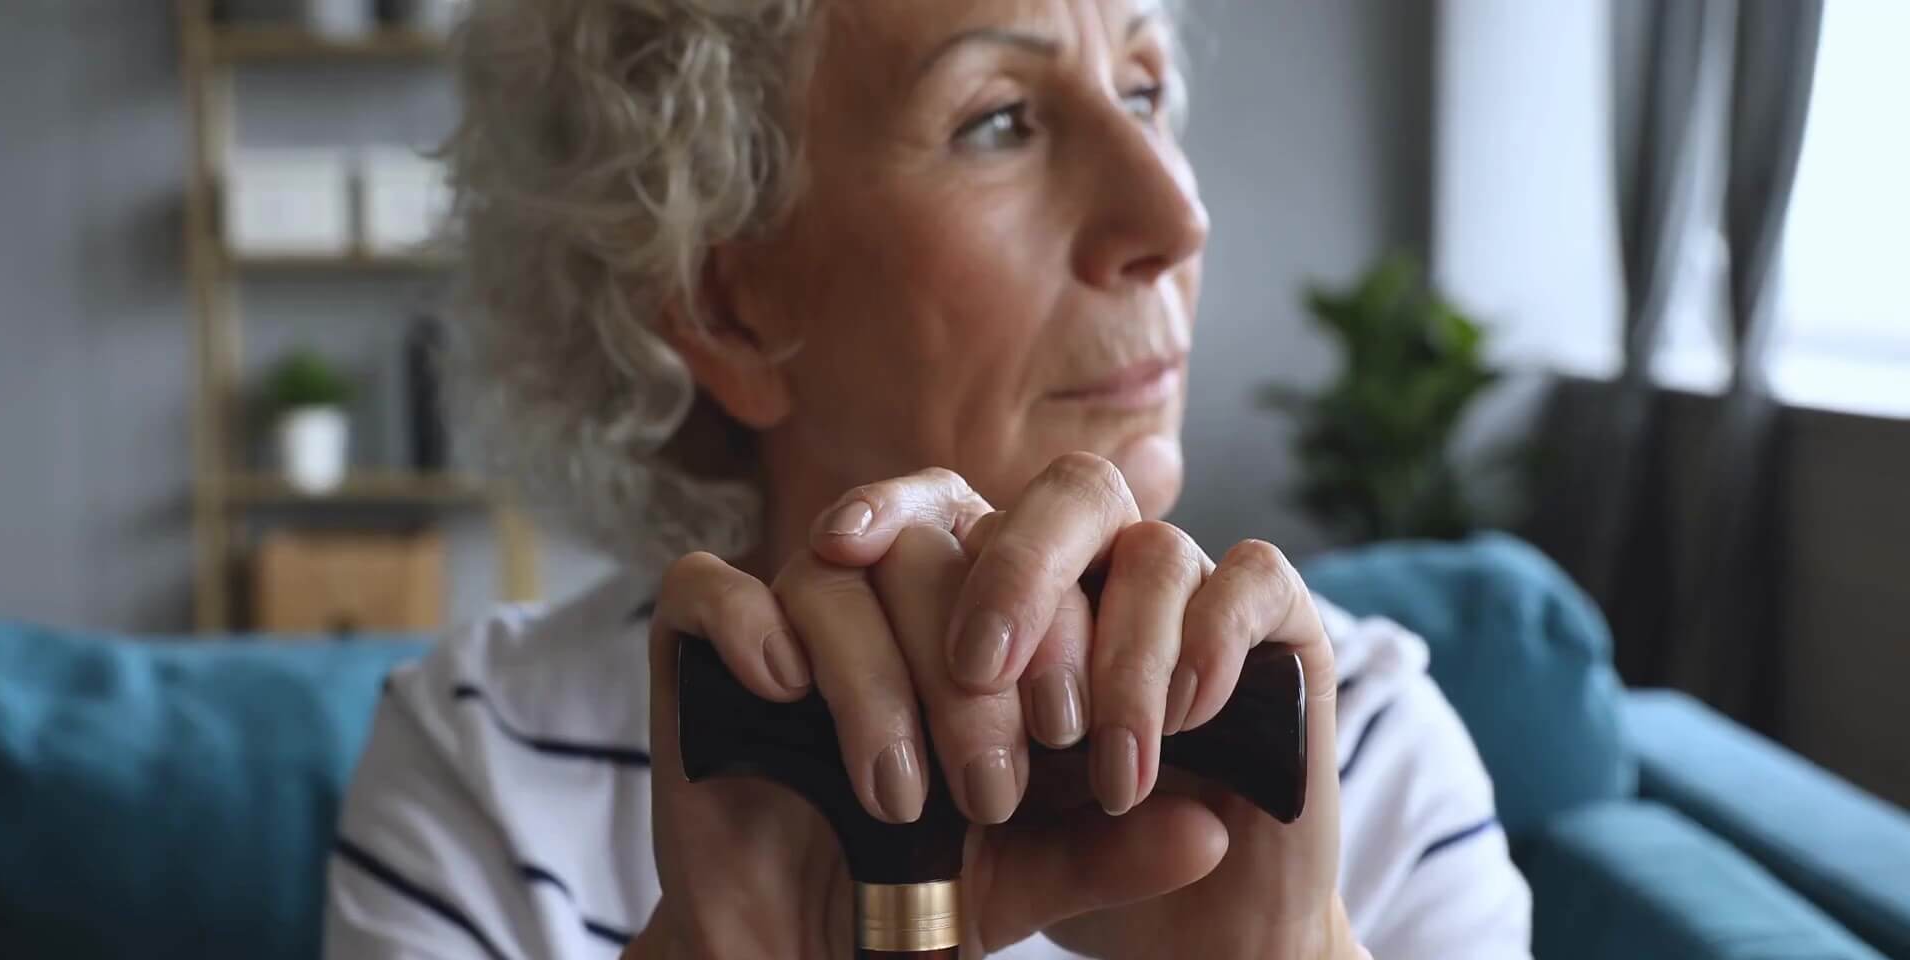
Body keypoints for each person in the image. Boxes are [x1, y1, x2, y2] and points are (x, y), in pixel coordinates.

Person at [324, 0, 1532, 956]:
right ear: (728, 310)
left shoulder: (1344, 744)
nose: (1174, 213)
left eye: (1145, 88)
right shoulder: (483, 770)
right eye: (999, 118)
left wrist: (1289, 958)